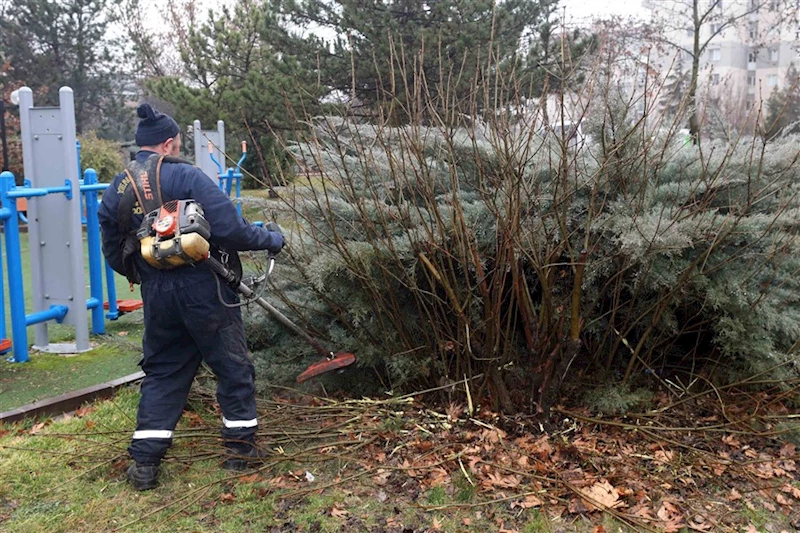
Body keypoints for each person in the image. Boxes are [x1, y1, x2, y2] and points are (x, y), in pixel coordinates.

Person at [98, 103, 285, 491]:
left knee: (164, 371)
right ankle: (240, 450)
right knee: (232, 367)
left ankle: (145, 463)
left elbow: (115, 253)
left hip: (157, 294)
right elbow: (232, 230)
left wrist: (149, 276)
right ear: (168, 143)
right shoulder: (187, 176)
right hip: (206, 288)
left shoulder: (116, 189)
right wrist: (272, 239)